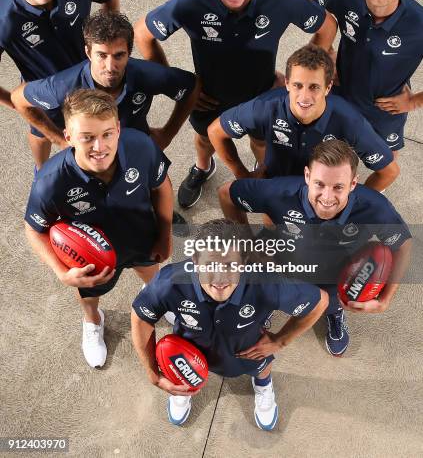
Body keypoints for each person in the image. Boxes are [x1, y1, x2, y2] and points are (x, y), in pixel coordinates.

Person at [134, 0, 337, 208]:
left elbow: (327, 26)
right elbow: (142, 33)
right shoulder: (191, 3)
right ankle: (204, 168)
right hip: (210, 97)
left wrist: (297, 79)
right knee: (204, 140)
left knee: (262, 143)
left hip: (260, 93)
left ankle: (262, 172)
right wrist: (175, 85)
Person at [219, 140, 411, 357]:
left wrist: (385, 299)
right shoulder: (279, 192)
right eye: (319, 184)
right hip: (282, 263)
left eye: (338, 187)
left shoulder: (374, 208)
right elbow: (227, 194)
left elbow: (403, 244)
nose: (327, 198)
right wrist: (247, 247)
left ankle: (334, 314)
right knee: (267, 293)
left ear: (354, 183)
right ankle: (269, 305)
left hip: (338, 275)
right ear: (307, 176)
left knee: (332, 303)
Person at [25, 89, 173, 368]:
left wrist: (164, 235)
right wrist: (62, 272)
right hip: (93, 256)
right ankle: (93, 321)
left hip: (141, 235)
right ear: (68, 136)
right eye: (87, 137)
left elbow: (161, 186)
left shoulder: (140, 146)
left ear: (118, 129)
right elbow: (33, 229)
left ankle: (159, 301)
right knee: (90, 295)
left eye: (107, 134)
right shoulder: (50, 182)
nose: (99, 146)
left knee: (152, 276)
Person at [131, 219, 328, 429]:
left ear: (243, 261)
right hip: (189, 355)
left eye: (229, 265)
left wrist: (280, 341)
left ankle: (263, 386)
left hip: (247, 351)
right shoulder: (169, 282)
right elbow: (141, 316)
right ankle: (182, 385)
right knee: (181, 376)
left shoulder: (267, 283)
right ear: (196, 260)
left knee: (261, 369)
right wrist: (153, 372)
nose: (219, 278)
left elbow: (319, 301)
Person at [11, 11, 198, 162]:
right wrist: (57, 139)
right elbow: (19, 99)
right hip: (91, 159)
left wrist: (167, 134)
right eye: (101, 55)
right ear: (88, 52)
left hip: (135, 151)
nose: (110, 67)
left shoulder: (147, 75)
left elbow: (191, 87)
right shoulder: (62, 86)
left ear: (129, 52)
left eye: (118, 55)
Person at [208, 44, 399, 192]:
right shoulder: (264, 108)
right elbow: (215, 131)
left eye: (314, 87)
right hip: (277, 183)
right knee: (261, 218)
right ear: (287, 83)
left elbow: (389, 171)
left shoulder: (349, 121)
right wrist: (241, 173)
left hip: (322, 192)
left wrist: (352, 202)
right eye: (298, 85)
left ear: (328, 87)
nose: (305, 97)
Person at [0, 0, 119, 167]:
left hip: (92, 79)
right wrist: (17, 104)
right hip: (46, 92)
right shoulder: (5, 20)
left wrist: (108, 36)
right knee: (40, 133)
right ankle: (41, 170)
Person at [311, 0, 423, 156]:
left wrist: (413, 102)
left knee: (385, 158)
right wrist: (326, 50)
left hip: (383, 109)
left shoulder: (418, 24)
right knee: (323, 148)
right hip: (340, 92)